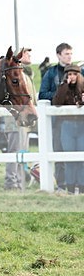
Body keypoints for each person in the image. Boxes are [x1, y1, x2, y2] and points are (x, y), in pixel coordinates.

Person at [39, 43, 78, 190]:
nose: (69, 56)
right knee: (59, 152)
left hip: (78, 120)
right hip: (58, 121)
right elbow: (42, 94)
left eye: (70, 54)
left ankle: (78, 184)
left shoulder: (80, 72)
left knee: (79, 152)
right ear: (58, 55)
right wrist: (59, 96)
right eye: (66, 53)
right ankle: (62, 184)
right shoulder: (51, 73)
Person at [3, 48, 37, 190]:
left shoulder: (25, 75)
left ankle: (19, 179)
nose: (30, 56)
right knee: (14, 150)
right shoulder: (16, 76)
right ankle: (11, 181)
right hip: (15, 119)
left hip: (26, 118)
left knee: (23, 151)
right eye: (27, 54)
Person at [52, 64, 84, 193]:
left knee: (82, 158)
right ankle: (70, 188)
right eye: (69, 74)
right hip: (67, 125)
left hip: (82, 125)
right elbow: (57, 103)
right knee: (69, 159)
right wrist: (64, 85)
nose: (72, 77)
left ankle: (82, 188)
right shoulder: (62, 88)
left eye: (74, 74)